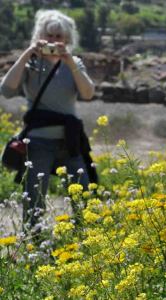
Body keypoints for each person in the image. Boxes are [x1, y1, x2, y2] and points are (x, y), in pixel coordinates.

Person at [0, 9, 97, 233]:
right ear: (39, 36)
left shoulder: (74, 64)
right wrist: (26, 54)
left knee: (82, 193)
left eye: (59, 37)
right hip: (38, 143)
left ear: (67, 39)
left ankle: (85, 240)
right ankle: (33, 243)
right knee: (35, 199)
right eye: (49, 36)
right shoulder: (31, 64)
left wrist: (69, 61)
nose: (53, 41)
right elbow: (6, 90)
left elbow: (88, 93)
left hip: (70, 142)